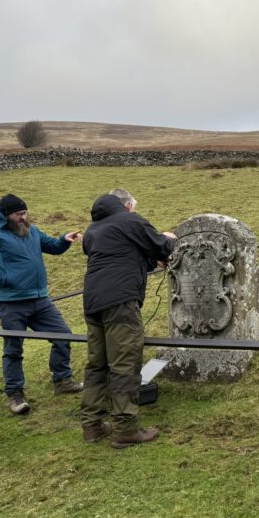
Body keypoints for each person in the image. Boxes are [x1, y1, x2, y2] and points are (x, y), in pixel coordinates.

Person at [79, 188, 177, 448]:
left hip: (93, 301)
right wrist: (169, 238)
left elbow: (118, 258)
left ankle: (92, 425)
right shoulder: (129, 220)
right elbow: (161, 245)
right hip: (120, 302)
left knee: (97, 363)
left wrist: (149, 264)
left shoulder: (93, 230)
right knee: (124, 363)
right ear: (128, 206)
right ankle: (125, 428)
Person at [0, 194, 84, 415]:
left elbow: (52, 246)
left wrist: (64, 239)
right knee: (14, 348)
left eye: (25, 213)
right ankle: (15, 394)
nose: (23, 217)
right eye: (18, 214)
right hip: (10, 302)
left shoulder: (32, 231)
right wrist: (7, 279)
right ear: (6, 216)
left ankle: (62, 380)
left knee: (64, 336)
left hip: (40, 299)